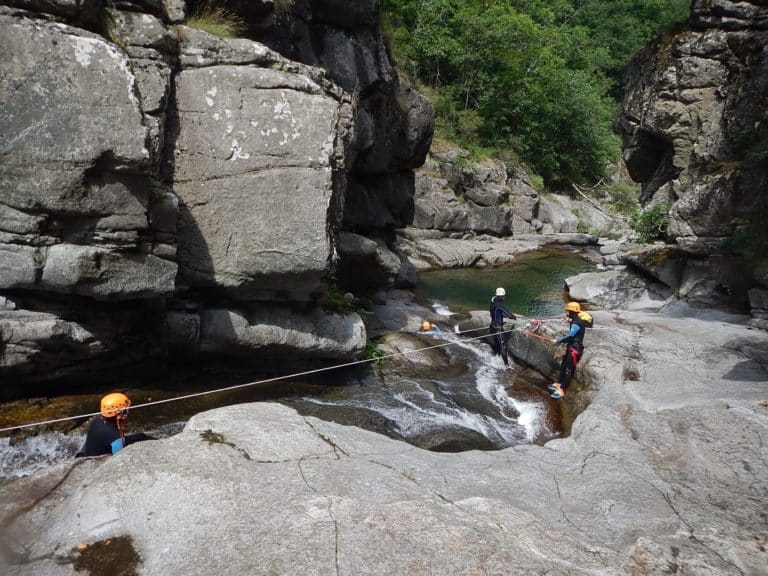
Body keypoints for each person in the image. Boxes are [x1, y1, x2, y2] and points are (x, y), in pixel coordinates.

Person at [76, 392, 153, 457]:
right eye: (126, 410)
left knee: (140, 436)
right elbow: (118, 457)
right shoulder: (113, 435)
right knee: (141, 437)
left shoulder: (98, 419)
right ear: (119, 414)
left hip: (89, 452)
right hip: (95, 461)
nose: (128, 412)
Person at [549, 301, 593, 399]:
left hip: (575, 349)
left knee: (568, 369)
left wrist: (558, 340)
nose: (566, 312)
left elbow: (569, 336)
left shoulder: (576, 323)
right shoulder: (576, 320)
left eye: (567, 311)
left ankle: (562, 390)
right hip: (572, 347)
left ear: (571, 312)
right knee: (564, 365)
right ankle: (559, 384)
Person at [489, 287, 516, 370]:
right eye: (503, 296)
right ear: (501, 296)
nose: (504, 298)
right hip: (498, 329)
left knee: (497, 344)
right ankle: (507, 365)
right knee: (503, 346)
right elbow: (509, 315)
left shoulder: (492, 302)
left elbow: (498, 314)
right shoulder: (500, 305)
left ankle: (495, 357)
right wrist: (513, 317)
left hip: (492, 326)